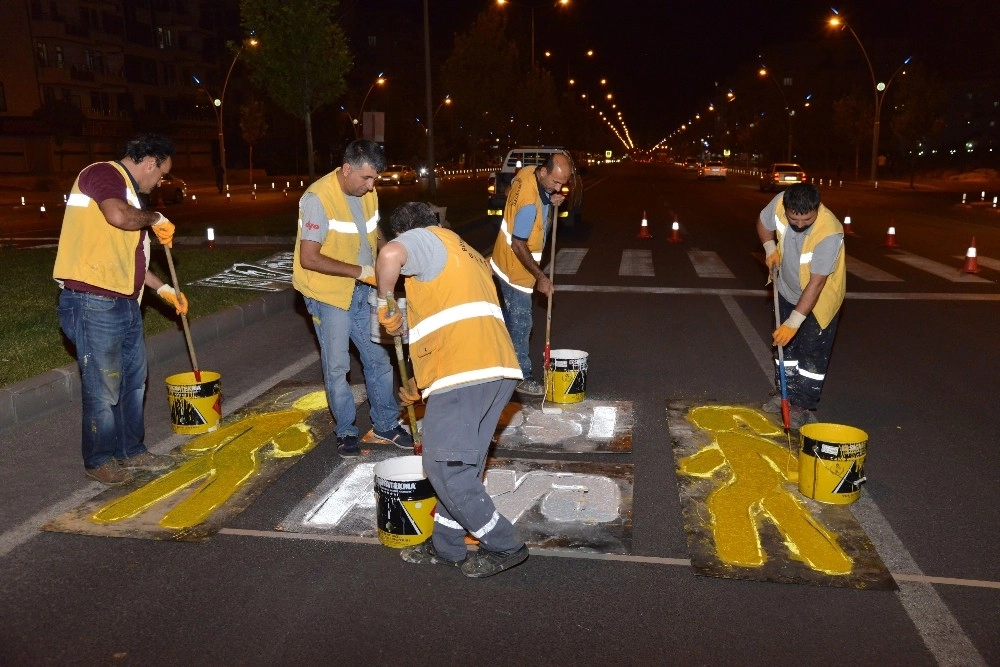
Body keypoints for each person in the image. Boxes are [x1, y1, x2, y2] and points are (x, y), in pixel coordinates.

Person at [376, 202, 528, 578]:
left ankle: (505, 544)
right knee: (463, 467)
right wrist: (419, 384)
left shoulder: (423, 241)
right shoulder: (465, 253)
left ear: (406, 231)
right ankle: (447, 546)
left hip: (467, 373)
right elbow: (442, 324)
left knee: (442, 467)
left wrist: (385, 302)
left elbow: (390, 254)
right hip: (494, 370)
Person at [53, 134, 187, 486]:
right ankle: (99, 459)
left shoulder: (130, 197)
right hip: (92, 303)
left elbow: (132, 261)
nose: (159, 182)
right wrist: (155, 217)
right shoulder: (104, 174)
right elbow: (116, 216)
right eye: (161, 174)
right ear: (149, 162)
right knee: (104, 387)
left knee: (132, 383)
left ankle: (132, 450)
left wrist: (165, 290)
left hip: (125, 303)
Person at [292, 139, 412, 457]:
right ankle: (345, 431)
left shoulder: (368, 193)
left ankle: (386, 425)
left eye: (375, 179)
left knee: (379, 361)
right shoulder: (318, 198)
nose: (371, 186)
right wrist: (362, 271)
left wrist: (390, 259)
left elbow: (375, 233)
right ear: (347, 170)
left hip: (363, 289)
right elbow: (309, 258)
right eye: (366, 178)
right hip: (327, 293)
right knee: (337, 367)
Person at [756, 183, 846, 429]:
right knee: (785, 350)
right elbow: (763, 223)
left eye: (806, 220)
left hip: (818, 301)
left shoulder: (830, 232)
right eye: (793, 219)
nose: (798, 225)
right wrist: (769, 247)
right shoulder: (780, 202)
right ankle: (784, 393)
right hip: (786, 288)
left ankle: (802, 404)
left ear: (816, 209)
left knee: (811, 353)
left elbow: (816, 284)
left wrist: (794, 322)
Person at [490, 152, 570, 396]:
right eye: (555, 183)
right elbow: (518, 244)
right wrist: (540, 277)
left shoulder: (527, 173)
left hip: (500, 261)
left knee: (508, 320)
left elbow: (512, 192)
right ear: (545, 172)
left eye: (562, 184)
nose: (559, 188)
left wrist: (549, 198)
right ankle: (521, 376)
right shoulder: (527, 205)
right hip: (517, 271)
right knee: (522, 323)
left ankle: (500, 363)